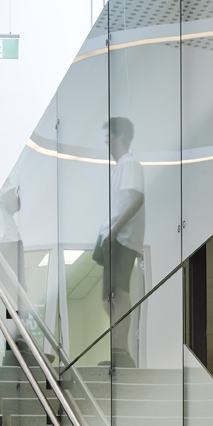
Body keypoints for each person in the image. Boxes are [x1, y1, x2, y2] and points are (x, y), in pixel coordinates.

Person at [95, 116, 144, 368]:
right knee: (108, 299)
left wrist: (115, 230)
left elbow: (137, 198)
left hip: (121, 239)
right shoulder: (120, 167)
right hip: (113, 238)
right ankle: (121, 351)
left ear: (121, 136)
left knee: (118, 294)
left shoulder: (129, 163)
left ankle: (121, 353)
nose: (107, 141)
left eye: (110, 136)